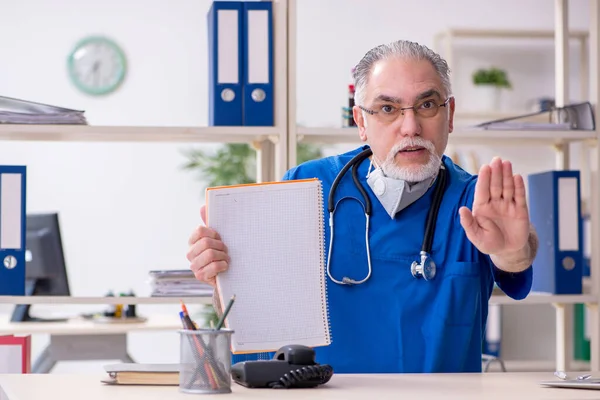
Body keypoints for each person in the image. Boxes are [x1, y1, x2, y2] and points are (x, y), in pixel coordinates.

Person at [187, 39, 538, 374]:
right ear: (360, 122)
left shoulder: (476, 200)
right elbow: (252, 320)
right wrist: (223, 277)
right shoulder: (306, 188)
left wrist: (512, 252)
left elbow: (516, 257)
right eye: (388, 109)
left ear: (450, 114)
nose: (410, 126)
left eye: (427, 105)